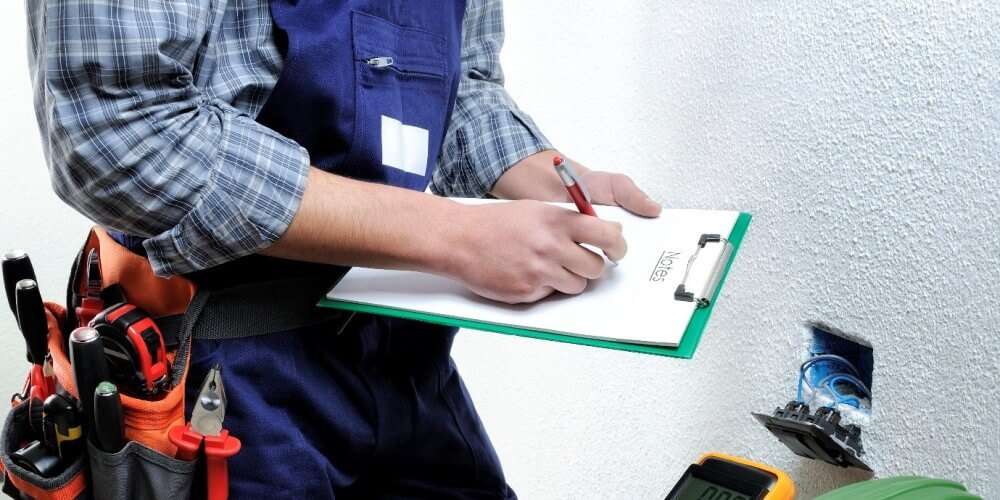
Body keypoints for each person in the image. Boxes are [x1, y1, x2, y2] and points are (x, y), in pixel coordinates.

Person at [26, 0, 661, 498]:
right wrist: (451, 235)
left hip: (402, 355)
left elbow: (460, 82)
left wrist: (537, 171)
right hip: (220, 369)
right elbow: (118, 132)